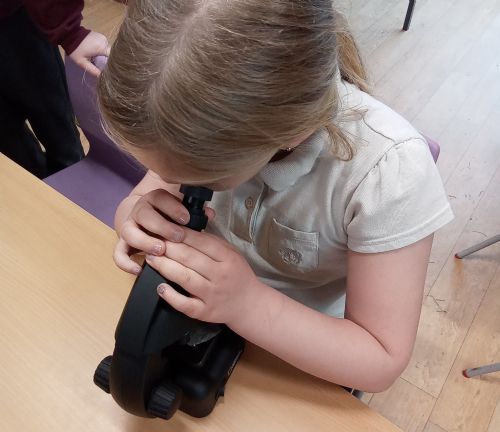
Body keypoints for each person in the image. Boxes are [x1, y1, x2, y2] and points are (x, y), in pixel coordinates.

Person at [98, 0, 454, 393]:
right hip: (204, 320)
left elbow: (380, 359)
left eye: (199, 177)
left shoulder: (388, 173)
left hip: (310, 353)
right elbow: (149, 192)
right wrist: (132, 215)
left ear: (291, 133)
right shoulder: (190, 121)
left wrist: (246, 304)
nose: (171, 182)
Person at [0, 0, 109, 178]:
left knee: (60, 136)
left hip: (14, 22)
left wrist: (71, 32)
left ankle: (72, 183)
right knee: (14, 155)